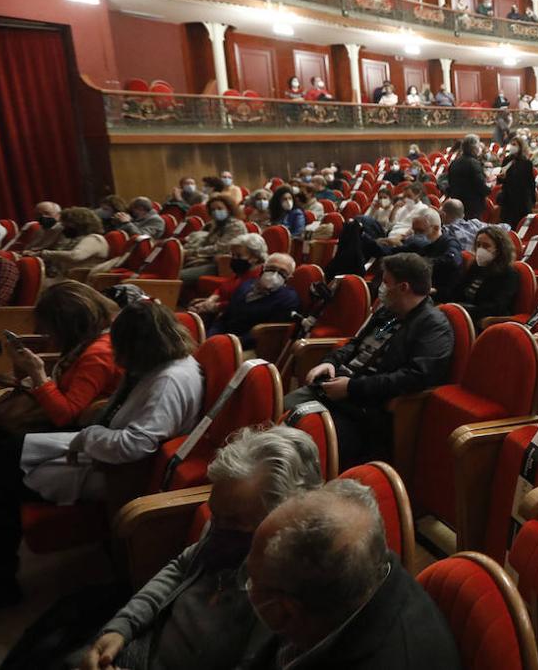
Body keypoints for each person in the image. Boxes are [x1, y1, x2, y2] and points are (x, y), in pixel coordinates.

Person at [0, 300, 202, 603]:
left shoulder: (169, 380)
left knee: (0, 479)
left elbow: (137, 445)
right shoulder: (158, 362)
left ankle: (1, 585)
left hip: (119, 472)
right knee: (1, 453)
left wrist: (88, 436)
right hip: (99, 445)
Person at [68, 427, 322, 670]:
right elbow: (181, 567)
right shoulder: (229, 526)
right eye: (214, 513)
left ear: (282, 520)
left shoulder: (287, 599)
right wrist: (121, 627)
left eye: (233, 521)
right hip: (142, 645)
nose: (215, 526)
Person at [242, 479, 460, 670]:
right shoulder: (369, 566)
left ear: (286, 611)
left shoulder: (397, 657)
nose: (246, 584)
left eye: (252, 578)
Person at [289, 253, 454, 467]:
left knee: (298, 444)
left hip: (364, 409)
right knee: (278, 413)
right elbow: (359, 345)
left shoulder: (433, 326)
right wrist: (330, 362)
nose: (380, 288)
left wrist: (352, 388)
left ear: (403, 287)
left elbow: (414, 377)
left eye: (386, 282)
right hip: (337, 388)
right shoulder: (390, 315)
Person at [0, 281, 120, 434]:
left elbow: (65, 416)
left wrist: (38, 374)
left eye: (50, 329)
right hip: (55, 416)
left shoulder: (99, 353)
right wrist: (24, 367)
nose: (49, 336)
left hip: (74, 432)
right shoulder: (93, 339)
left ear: (68, 326)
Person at [206, 252, 300, 347]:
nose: (275, 275)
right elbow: (224, 317)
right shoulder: (245, 286)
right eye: (271, 268)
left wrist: (229, 344)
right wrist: (212, 337)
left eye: (282, 272)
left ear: (289, 277)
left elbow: (267, 334)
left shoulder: (288, 299)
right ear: (263, 268)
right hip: (223, 339)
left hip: (248, 347)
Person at [451, 226, 519, 325]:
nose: (480, 249)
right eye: (478, 245)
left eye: (486, 246)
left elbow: (497, 307)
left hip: (484, 319)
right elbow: (458, 289)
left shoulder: (509, 274)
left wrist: (462, 311)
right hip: (464, 312)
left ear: (499, 249)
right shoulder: (475, 266)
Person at [28, 207, 108, 284]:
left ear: (79, 224)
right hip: (66, 278)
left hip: (80, 281)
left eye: (66, 225)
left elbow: (75, 256)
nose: (63, 228)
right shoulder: (75, 239)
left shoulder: (94, 239)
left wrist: (43, 253)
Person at [444, 134, 490, 222]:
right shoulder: (474, 163)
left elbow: (450, 183)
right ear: (473, 148)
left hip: (457, 205)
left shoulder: (455, 162)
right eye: (478, 145)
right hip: (472, 206)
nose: (479, 148)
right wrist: (489, 189)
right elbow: (481, 186)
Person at [497, 136, 536, 227]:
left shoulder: (526, 163)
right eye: (511, 144)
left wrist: (532, 200)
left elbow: (531, 183)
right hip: (507, 199)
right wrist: (502, 177)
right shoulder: (507, 160)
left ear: (520, 147)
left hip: (522, 200)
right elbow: (500, 180)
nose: (512, 147)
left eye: (514, 144)